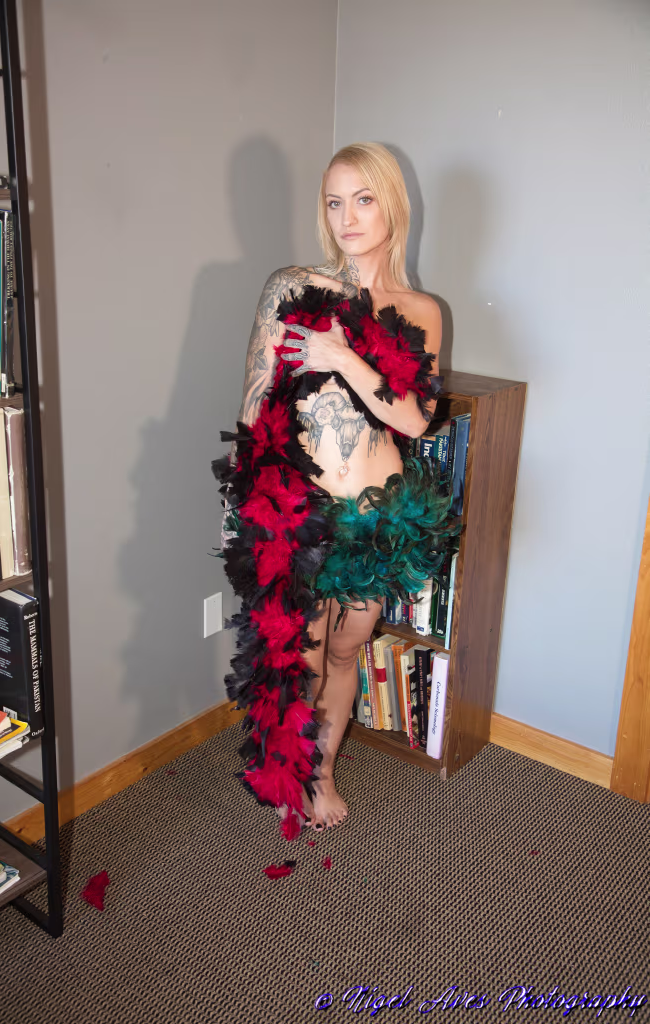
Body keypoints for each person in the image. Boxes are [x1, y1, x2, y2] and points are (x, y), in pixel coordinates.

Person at [213, 142, 458, 838]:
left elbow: (415, 417)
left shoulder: (421, 308)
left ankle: (321, 772)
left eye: (363, 199)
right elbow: (253, 402)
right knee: (302, 659)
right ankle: (293, 773)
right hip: (303, 517)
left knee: (347, 650)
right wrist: (242, 508)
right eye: (333, 202)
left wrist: (343, 357)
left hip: (380, 520)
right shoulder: (293, 288)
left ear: (392, 207)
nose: (346, 217)